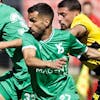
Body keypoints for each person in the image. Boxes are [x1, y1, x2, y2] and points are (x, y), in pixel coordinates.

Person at [22, 3, 100, 100]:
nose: (29, 25)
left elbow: (88, 52)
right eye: (29, 21)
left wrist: (63, 39)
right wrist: (49, 64)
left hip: (65, 91)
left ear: (46, 22)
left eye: (33, 21)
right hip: (41, 93)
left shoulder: (67, 35)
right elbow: (29, 59)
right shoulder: (28, 36)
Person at [0, 1, 67, 100]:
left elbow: (27, 40)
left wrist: (4, 44)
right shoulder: (8, 11)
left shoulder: (2, 11)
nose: (30, 25)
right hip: (18, 72)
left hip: (30, 74)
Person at [57, 0, 100, 99]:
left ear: (76, 13)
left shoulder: (80, 20)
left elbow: (77, 31)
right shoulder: (66, 33)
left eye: (63, 15)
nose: (59, 19)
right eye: (58, 15)